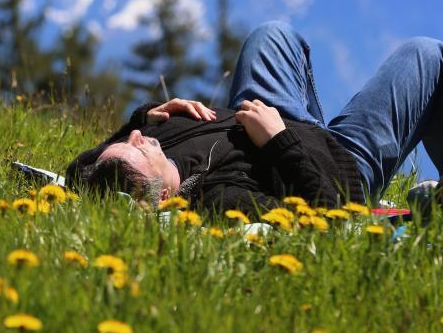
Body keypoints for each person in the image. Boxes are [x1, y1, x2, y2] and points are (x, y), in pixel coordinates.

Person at [66, 21, 443, 215]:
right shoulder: (220, 199)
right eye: (139, 150)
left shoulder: (148, 145)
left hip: (259, 115)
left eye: (124, 141)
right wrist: (279, 140)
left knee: (270, 33)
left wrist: (147, 113)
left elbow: (77, 170)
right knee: (425, 56)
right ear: (164, 195)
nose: (136, 137)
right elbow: (331, 212)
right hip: (337, 163)